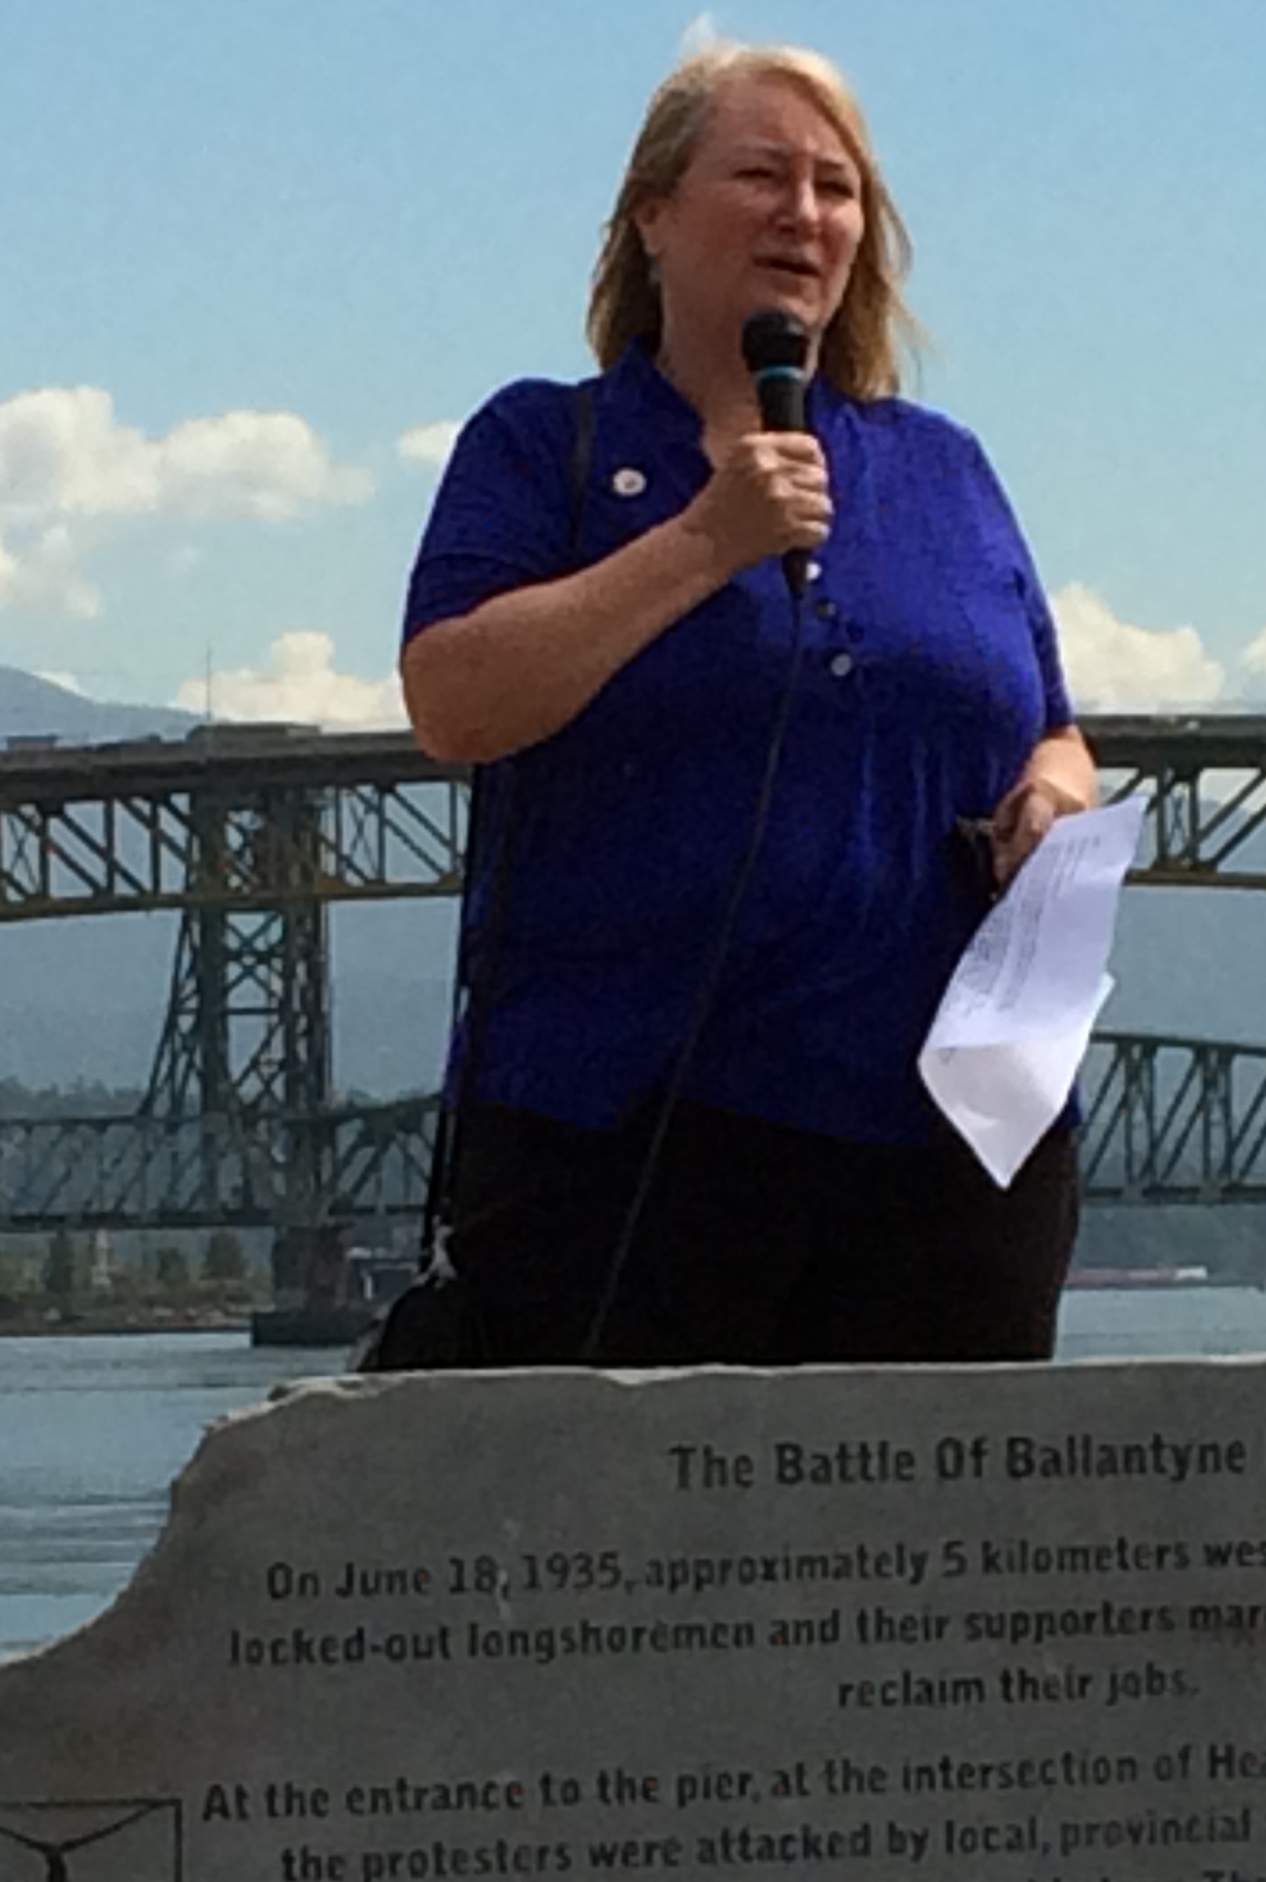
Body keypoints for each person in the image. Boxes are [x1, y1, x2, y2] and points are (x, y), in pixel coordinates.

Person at [396, 40, 1093, 1368]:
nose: (806, 214)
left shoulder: (943, 470)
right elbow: (454, 700)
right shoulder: (547, 447)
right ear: (651, 216)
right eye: (763, 174)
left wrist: (1055, 798)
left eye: (839, 190)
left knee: (942, 1560)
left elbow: (1051, 720)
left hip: (954, 1140)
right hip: (631, 1133)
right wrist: (707, 541)